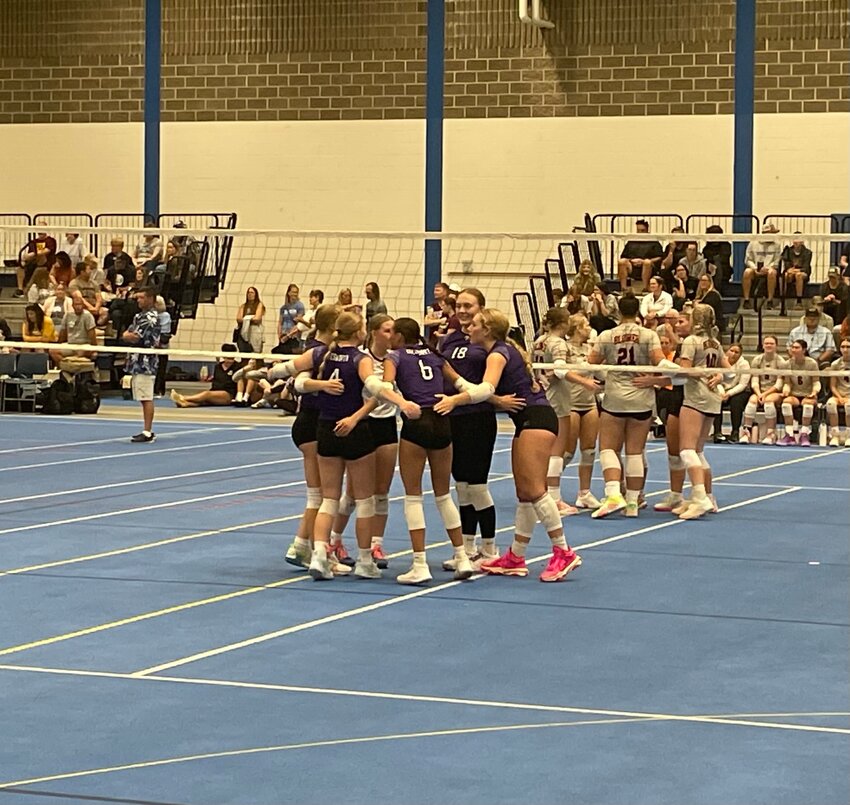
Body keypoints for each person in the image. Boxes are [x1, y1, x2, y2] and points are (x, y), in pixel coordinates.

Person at [435, 308, 582, 583]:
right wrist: (453, 377)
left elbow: (485, 390)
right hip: (527, 420)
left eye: (476, 323)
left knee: (536, 490)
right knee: (524, 492)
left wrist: (454, 400)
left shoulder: (497, 353)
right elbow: (476, 386)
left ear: (487, 330)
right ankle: (516, 556)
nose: (470, 327)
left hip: (536, 419)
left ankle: (564, 551)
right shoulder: (501, 350)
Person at [375, 317, 474, 584]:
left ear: (398, 335)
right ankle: (462, 557)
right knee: (444, 495)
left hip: (417, 422)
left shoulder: (393, 356)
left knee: (413, 496)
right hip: (442, 420)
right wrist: (457, 400)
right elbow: (462, 384)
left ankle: (420, 564)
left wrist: (402, 401)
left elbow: (386, 386)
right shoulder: (434, 354)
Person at [302, 312, 383, 581]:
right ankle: (364, 560)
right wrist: (354, 418)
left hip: (326, 429)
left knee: (329, 499)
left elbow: (290, 375)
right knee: (364, 501)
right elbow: (373, 393)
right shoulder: (362, 359)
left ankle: (319, 556)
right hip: (354, 429)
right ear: (360, 333)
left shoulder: (322, 355)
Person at [439, 289, 510, 570]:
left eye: (468, 305)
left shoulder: (489, 344)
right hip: (452, 416)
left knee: (478, 485)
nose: (463, 310)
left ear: (481, 307)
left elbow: (492, 383)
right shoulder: (449, 339)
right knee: (462, 487)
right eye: (459, 305)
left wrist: (497, 399)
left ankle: (490, 547)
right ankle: (467, 548)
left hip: (478, 418)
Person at [327, 314, 400, 568]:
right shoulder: (360, 358)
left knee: (381, 491)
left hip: (387, 425)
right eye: (387, 330)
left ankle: (375, 545)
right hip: (364, 424)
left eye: (394, 330)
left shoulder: (397, 359)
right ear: (373, 332)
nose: (392, 335)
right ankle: (334, 540)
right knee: (353, 493)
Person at [586, 291, 668, 518]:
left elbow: (591, 363)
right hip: (641, 397)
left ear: (619, 311)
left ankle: (613, 494)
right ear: (638, 311)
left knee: (608, 448)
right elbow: (659, 361)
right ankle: (632, 503)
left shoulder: (607, 335)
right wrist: (665, 376)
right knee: (635, 452)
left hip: (615, 397)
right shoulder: (648, 335)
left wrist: (607, 374)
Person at [674, 304, 728, 519]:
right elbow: (729, 369)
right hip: (713, 397)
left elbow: (686, 370)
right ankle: (708, 495)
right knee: (698, 451)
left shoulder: (691, 341)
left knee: (687, 450)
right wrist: (720, 376)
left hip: (696, 397)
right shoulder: (715, 343)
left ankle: (700, 498)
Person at [533, 307, 578, 516]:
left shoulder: (539, 340)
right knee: (557, 450)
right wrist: (586, 382)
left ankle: (542, 494)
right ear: (563, 323)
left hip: (540, 396)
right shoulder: (559, 343)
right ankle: (554, 498)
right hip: (557, 399)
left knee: (545, 451)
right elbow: (560, 370)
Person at [562, 313, 602, 509]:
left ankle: (584, 493)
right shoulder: (565, 348)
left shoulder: (590, 350)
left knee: (589, 450)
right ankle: (548, 488)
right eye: (586, 325)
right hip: (570, 404)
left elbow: (601, 373)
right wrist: (583, 377)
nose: (589, 329)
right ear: (577, 328)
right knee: (567, 452)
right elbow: (560, 373)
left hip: (589, 404)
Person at [122, 287, 161, 444]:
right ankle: (146, 429)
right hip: (136, 361)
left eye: (142, 298)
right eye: (137, 298)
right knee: (142, 396)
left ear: (151, 299)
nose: (138, 300)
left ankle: (147, 431)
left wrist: (127, 336)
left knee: (146, 397)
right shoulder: (139, 316)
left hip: (146, 362)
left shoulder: (150, 318)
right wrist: (126, 335)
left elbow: (134, 337)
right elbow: (128, 333)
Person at [741, 335, 787, 445]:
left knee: (768, 402)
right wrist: (759, 394)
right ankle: (746, 432)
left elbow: (779, 384)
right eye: (766, 343)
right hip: (760, 391)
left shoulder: (781, 361)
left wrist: (765, 394)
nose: (769, 345)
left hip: (774, 392)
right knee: (751, 402)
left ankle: (770, 433)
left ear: (776, 346)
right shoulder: (757, 360)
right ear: (763, 345)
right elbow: (755, 381)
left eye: (771, 343)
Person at [778, 339, 821, 446]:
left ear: (804, 350)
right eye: (792, 347)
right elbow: (787, 382)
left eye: (797, 348)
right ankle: (789, 435)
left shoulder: (811, 363)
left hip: (808, 394)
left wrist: (814, 392)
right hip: (795, 395)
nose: (794, 350)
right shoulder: (787, 364)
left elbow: (816, 381)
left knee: (808, 405)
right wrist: (786, 390)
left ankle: (804, 434)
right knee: (786, 404)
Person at [171, 345, 242, 408]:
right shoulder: (218, 367)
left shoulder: (237, 367)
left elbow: (240, 380)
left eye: (231, 357)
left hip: (227, 394)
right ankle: (186, 404)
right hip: (214, 392)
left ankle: (183, 397)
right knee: (203, 400)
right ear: (223, 355)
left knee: (206, 394)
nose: (230, 359)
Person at [713, 343, 751, 443]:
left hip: (739, 390)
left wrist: (729, 394)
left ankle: (735, 432)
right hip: (721, 389)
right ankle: (717, 432)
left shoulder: (744, 364)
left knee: (736, 402)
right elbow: (717, 379)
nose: (733, 354)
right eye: (731, 351)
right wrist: (721, 393)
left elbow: (742, 384)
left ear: (740, 354)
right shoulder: (720, 361)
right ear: (727, 351)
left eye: (736, 352)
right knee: (716, 399)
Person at [49, 292, 98, 366]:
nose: (78, 307)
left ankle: (70, 366)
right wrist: (58, 344)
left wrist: (94, 349)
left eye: (80, 305)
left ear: (83, 306)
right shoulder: (68, 315)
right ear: (72, 305)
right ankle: (68, 366)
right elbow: (63, 332)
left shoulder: (88, 316)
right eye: (76, 305)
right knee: (53, 351)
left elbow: (92, 335)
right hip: (70, 345)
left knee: (83, 353)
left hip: (83, 345)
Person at [742, 226, 781, 310]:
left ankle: (770, 300)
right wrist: (755, 268)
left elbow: (777, 261)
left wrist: (768, 268)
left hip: (769, 269)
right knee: (747, 272)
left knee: (772, 273)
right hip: (755, 268)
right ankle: (746, 300)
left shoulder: (777, 245)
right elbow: (748, 259)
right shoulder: (753, 243)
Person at [617, 219, 663, 290]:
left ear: (647, 230)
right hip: (632, 266)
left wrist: (643, 261)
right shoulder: (631, 242)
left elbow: (659, 257)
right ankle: (623, 288)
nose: (640, 233)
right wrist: (632, 260)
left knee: (647, 262)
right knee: (621, 262)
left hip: (648, 266)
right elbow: (624, 256)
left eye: (642, 230)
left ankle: (645, 288)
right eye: (638, 230)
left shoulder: (654, 242)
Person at [15, 221, 56, 297]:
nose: (40, 231)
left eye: (42, 228)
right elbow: (29, 254)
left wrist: (34, 254)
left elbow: (47, 251)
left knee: (41, 256)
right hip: (33, 262)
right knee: (20, 267)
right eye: (38, 228)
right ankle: (20, 289)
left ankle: (28, 289)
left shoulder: (51, 240)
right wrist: (24, 258)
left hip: (46, 263)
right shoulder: (33, 242)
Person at [826, 339, 850, 447]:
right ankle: (835, 435)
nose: (845, 349)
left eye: (848, 347)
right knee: (830, 404)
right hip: (839, 394)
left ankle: (849, 436)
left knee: (849, 406)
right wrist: (839, 397)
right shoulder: (835, 364)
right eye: (843, 347)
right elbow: (833, 385)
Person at [69, 261, 108, 327]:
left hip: (95, 307)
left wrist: (96, 308)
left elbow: (99, 298)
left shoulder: (94, 283)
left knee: (105, 312)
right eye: (88, 269)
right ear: (82, 272)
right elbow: (80, 299)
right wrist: (91, 308)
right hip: (83, 307)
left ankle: (97, 326)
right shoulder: (74, 283)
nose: (90, 271)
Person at [780, 234, 813, 310]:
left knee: (799, 275)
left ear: (802, 241)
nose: (796, 241)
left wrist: (796, 270)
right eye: (794, 239)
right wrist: (789, 270)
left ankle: (799, 301)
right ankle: (782, 300)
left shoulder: (808, 252)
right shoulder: (788, 251)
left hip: (803, 273)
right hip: (791, 272)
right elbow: (786, 264)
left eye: (798, 239)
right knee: (785, 275)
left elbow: (806, 267)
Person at [235, 286, 265, 357]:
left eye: (252, 292)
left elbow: (257, 319)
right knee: (244, 354)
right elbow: (238, 318)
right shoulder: (243, 306)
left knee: (256, 354)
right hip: (243, 331)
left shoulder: (259, 305)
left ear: (256, 294)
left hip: (255, 331)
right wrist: (250, 318)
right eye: (248, 293)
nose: (250, 294)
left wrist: (246, 319)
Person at [276, 284, 304, 355]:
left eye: (296, 292)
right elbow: (280, 322)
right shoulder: (284, 307)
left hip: (293, 336)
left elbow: (299, 323)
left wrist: (289, 335)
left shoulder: (299, 306)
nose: (295, 294)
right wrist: (279, 335)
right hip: (283, 334)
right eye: (293, 292)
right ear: (289, 293)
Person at [703, 225, 732, 292]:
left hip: (723, 270)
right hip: (709, 270)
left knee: (717, 262)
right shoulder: (707, 248)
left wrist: (713, 263)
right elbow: (706, 258)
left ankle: (716, 289)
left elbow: (724, 258)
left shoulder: (726, 246)